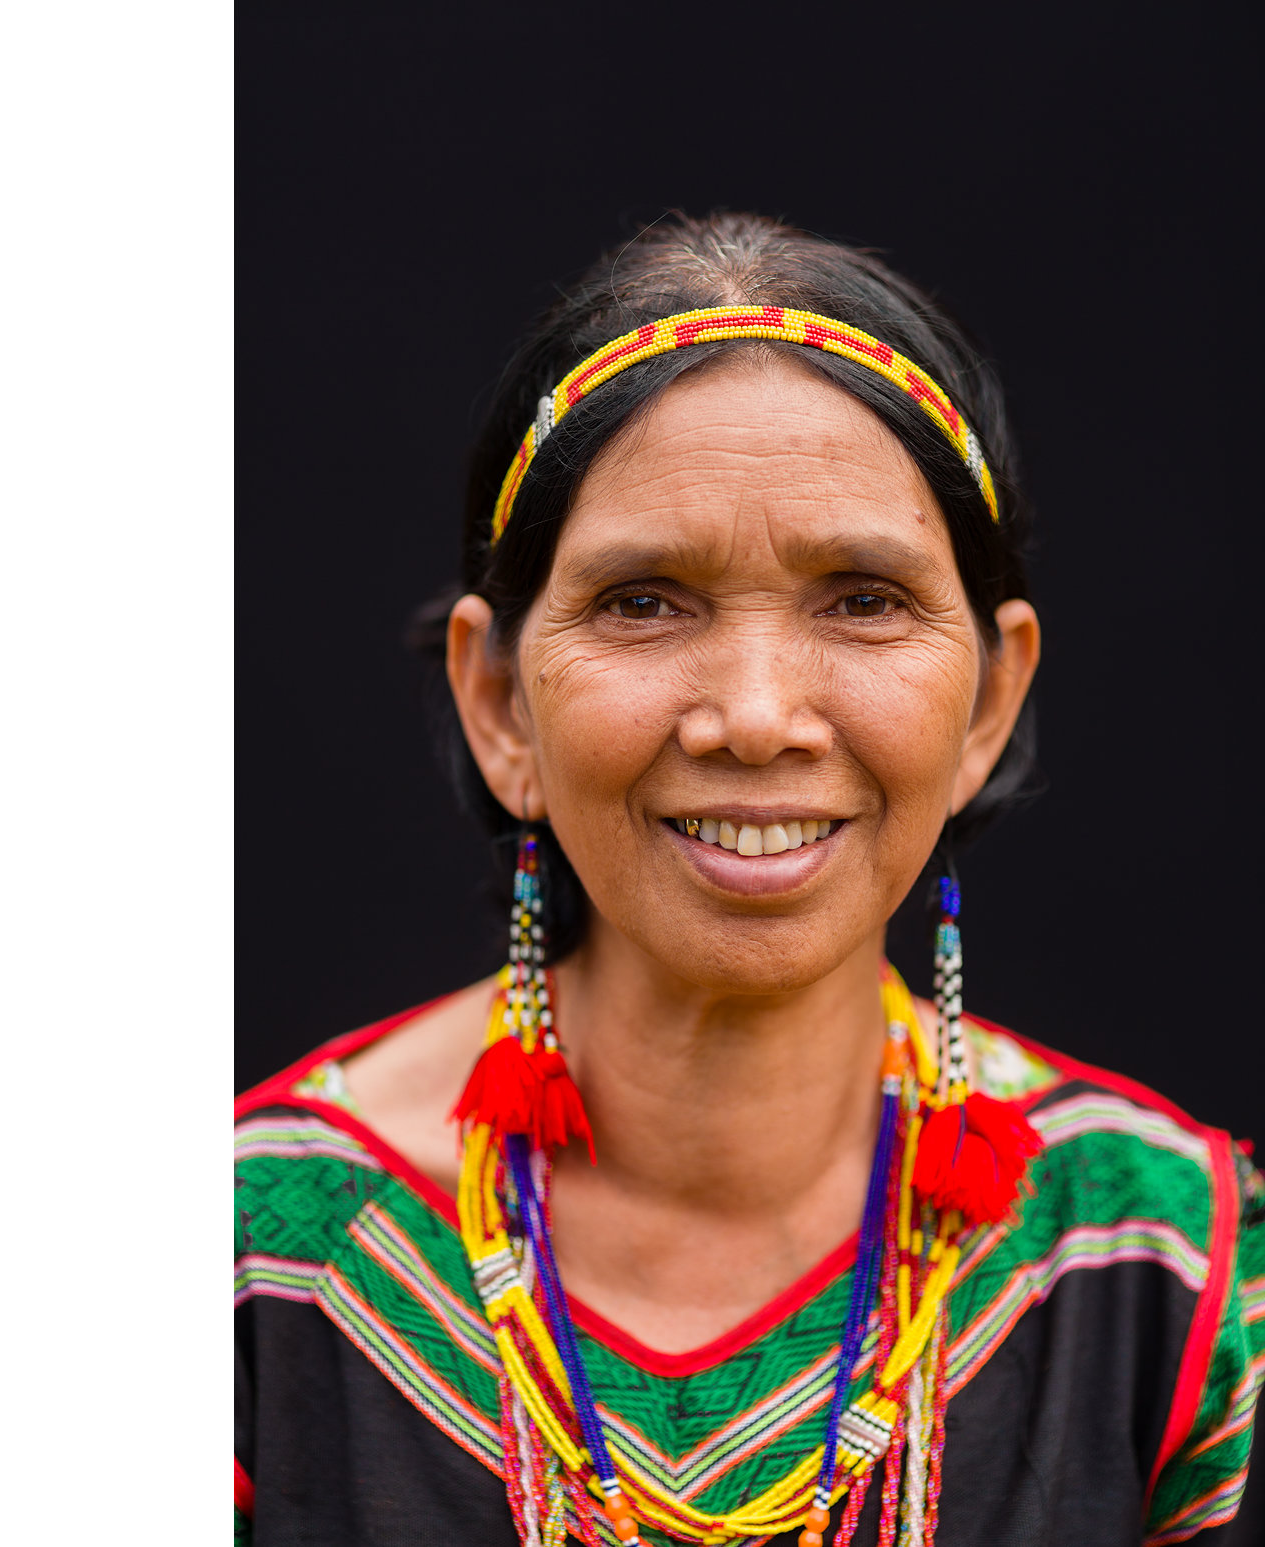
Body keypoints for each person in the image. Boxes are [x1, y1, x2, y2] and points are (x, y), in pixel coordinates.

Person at [234, 213, 1260, 1545]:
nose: (760, 716)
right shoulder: (241, 1270)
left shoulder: (1174, 1269)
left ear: (992, 699)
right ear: (497, 701)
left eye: (863, 599)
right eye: (645, 601)